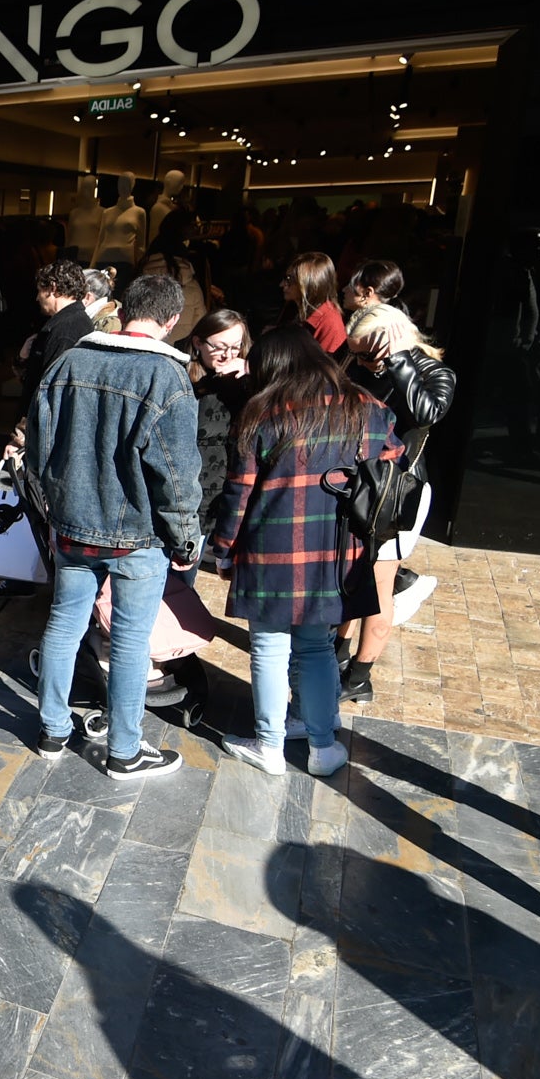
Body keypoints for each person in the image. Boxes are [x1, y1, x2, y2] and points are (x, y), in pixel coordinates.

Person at [28, 273, 201, 779]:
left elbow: (38, 447)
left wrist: (58, 502)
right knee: (129, 641)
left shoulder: (69, 361)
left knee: (64, 624)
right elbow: (177, 475)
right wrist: (186, 539)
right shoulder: (167, 377)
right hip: (137, 537)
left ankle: (52, 730)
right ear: (172, 320)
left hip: (72, 527)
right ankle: (124, 751)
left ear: (122, 310)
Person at [208, 327, 398, 780]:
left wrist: (223, 551)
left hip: (271, 549)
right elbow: (394, 458)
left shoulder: (262, 414)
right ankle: (323, 746)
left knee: (269, 648)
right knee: (316, 646)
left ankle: (269, 745)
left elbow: (239, 494)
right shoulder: (368, 407)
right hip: (338, 549)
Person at [338, 299, 456, 701]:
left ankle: (359, 677)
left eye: (367, 353)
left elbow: (427, 413)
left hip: (396, 493)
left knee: (378, 584)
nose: (362, 362)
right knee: (347, 576)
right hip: (356, 484)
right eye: (356, 354)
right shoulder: (360, 365)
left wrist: (399, 360)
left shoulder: (433, 372)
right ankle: (337, 652)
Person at [0, 261, 99, 602]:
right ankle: (32, 578)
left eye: (40, 290)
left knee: (38, 511)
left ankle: (38, 581)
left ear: (54, 289)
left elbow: (48, 392)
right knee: (37, 510)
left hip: (48, 440)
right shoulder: (68, 325)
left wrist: (21, 437)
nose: (37, 297)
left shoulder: (66, 330)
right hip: (51, 437)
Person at [182, 308, 257, 553]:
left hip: (223, 486)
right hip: (187, 484)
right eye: (220, 347)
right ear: (198, 343)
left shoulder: (246, 377)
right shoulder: (180, 372)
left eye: (236, 347)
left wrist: (252, 372)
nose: (228, 355)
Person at [281, 251, 348, 354]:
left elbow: (323, 363)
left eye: (289, 279)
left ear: (310, 284)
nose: (282, 284)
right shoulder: (295, 307)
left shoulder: (330, 324)